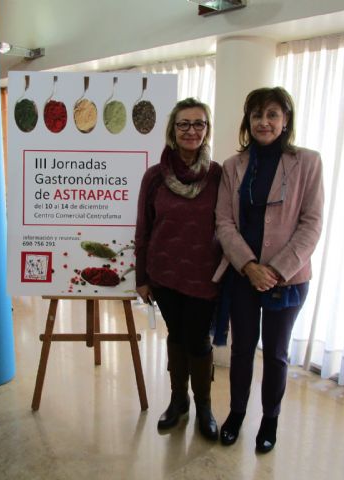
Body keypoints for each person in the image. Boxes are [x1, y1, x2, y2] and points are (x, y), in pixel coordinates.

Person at [213, 87, 324, 452]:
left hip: (287, 279)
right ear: (248, 121)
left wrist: (274, 270)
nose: (264, 122)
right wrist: (248, 265)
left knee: (276, 353)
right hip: (243, 275)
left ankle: (270, 420)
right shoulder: (233, 166)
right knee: (243, 349)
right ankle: (237, 414)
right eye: (257, 115)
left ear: (286, 120)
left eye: (273, 114)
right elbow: (224, 222)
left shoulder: (308, 162)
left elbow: (312, 224)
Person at [135, 98, 222, 440]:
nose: (191, 130)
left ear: (206, 130)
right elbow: (143, 228)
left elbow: (227, 224)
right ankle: (178, 401)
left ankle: (204, 406)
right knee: (176, 336)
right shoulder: (155, 177)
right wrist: (141, 278)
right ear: (172, 130)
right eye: (184, 124)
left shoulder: (218, 175)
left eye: (198, 124)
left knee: (198, 341)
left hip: (204, 275)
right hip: (165, 274)